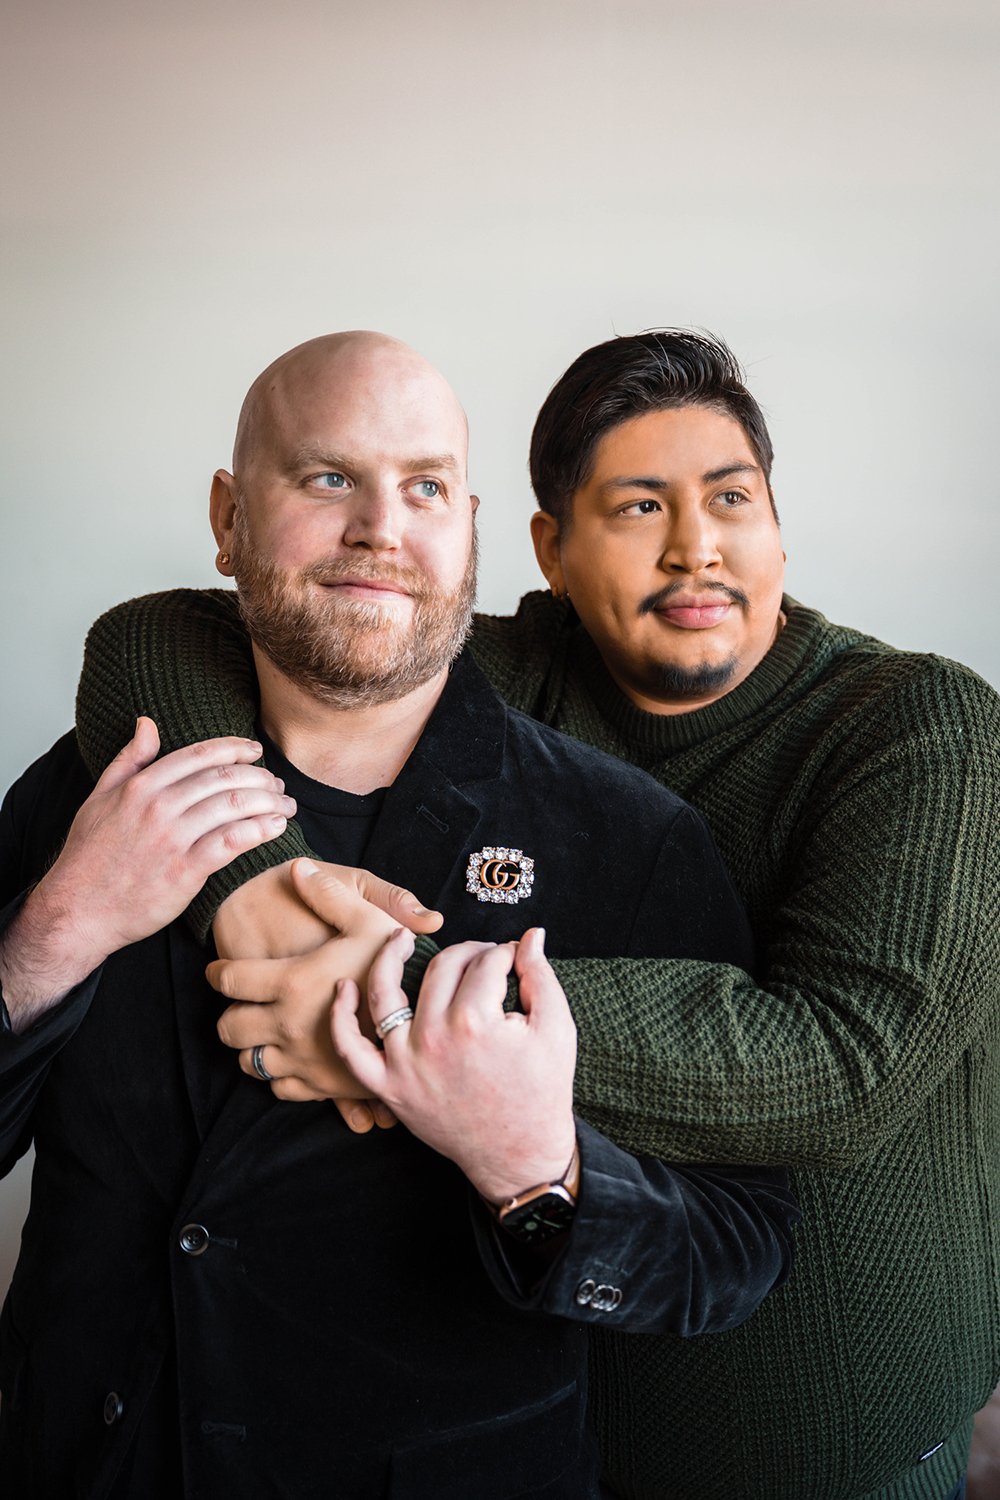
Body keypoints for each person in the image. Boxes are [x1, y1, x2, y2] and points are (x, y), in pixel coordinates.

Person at [75, 329, 1000, 1500]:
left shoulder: (919, 724)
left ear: (778, 526)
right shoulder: (520, 679)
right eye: (637, 507)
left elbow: (843, 1063)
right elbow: (155, 637)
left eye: (731, 499)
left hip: (843, 1443)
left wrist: (388, 997)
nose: (695, 547)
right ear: (548, 552)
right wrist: (256, 885)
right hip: (571, 1420)